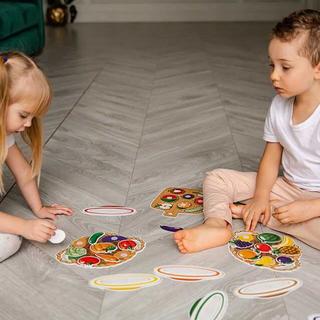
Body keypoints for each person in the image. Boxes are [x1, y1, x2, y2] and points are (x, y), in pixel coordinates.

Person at [175, 9, 320, 253]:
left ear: (317, 68)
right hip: (287, 188)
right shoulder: (279, 105)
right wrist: (261, 196)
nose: (273, 75)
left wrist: (311, 208)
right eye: (272, 65)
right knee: (217, 178)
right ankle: (217, 225)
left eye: (285, 67)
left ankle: (263, 215)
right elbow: (271, 159)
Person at [0, 52, 72, 262]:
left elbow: (24, 173)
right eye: (24, 115)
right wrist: (25, 226)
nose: (29, 124)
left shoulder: (5, 136)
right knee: (11, 240)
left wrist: (38, 208)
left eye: (33, 117)